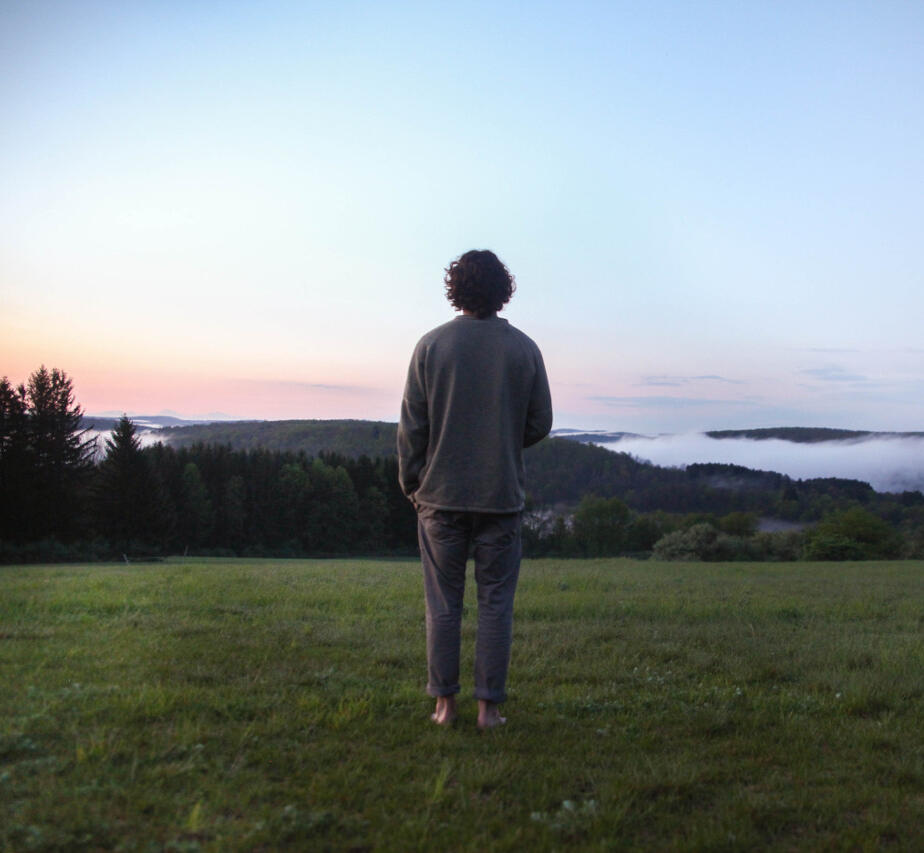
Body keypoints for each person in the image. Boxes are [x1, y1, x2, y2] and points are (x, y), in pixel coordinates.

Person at [397, 249, 553, 729]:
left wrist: (413, 483)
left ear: (456, 289)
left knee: (443, 607)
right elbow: (541, 423)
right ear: (503, 290)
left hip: (439, 497)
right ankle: (490, 710)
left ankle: (444, 708)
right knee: (495, 606)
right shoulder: (524, 349)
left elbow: (412, 426)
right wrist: (502, 440)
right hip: (500, 497)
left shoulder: (430, 346)